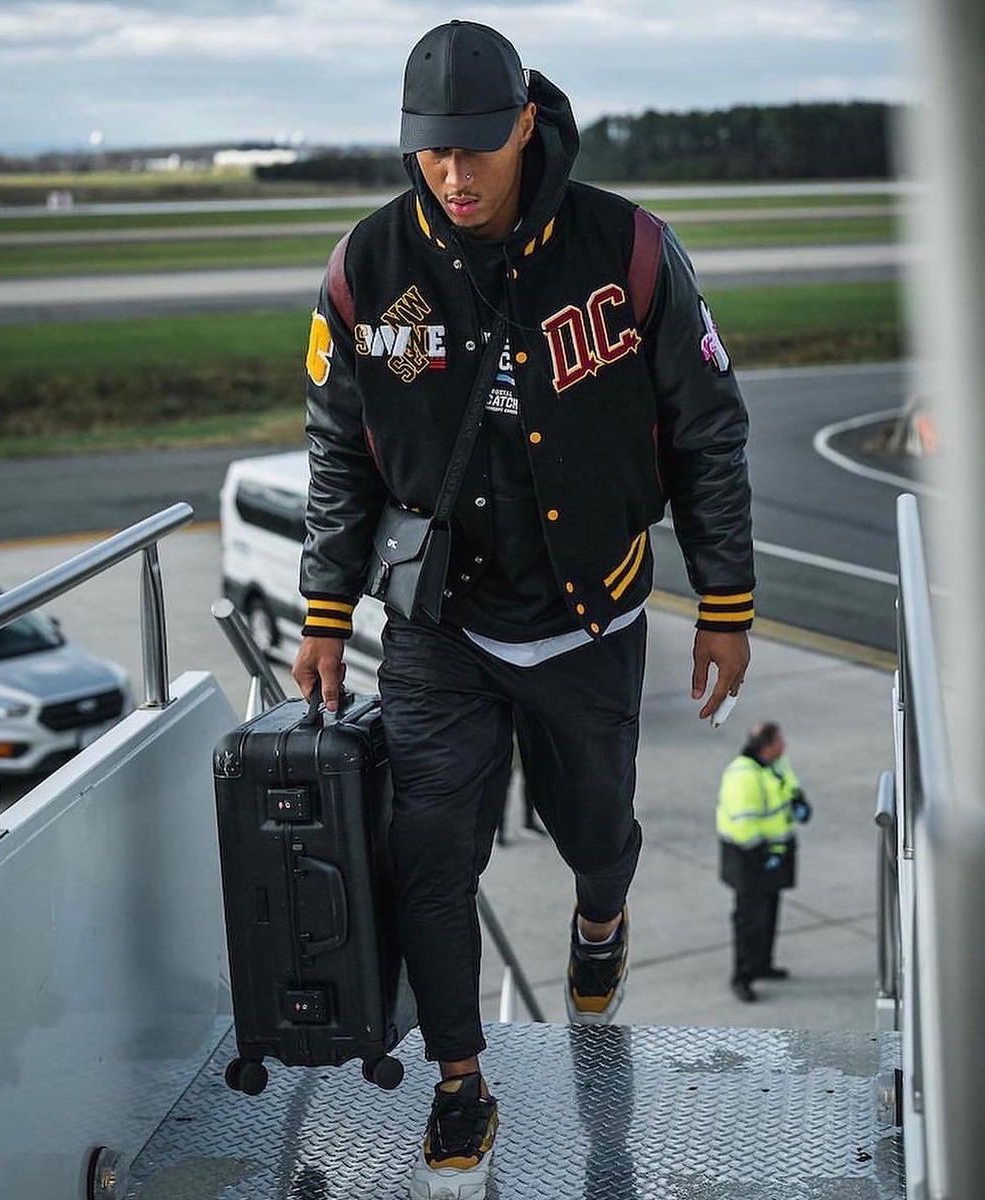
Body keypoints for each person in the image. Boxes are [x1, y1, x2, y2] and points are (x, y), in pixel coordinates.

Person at [293, 19, 755, 1199]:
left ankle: (601, 923)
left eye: (475, 150)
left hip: (587, 620)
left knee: (596, 834)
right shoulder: (364, 269)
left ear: (524, 126)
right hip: (440, 629)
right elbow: (339, 448)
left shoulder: (632, 251)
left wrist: (726, 600)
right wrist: (325, 611)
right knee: (426, 855)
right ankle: (461, 1081)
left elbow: (707, 430)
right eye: (430, 152)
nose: (452, 177)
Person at [716, 721, 812, 1003]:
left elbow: (790, 787)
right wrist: (762, 855)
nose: (784, 747)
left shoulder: (776, 764)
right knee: (749, 919)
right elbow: (743, 823)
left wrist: (800, 802)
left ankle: (763, 964)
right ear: (766, 746)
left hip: (774, 854)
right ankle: (742, 977)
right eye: (779, 742)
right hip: (749, 858)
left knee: (769, 912)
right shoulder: (743, 775)